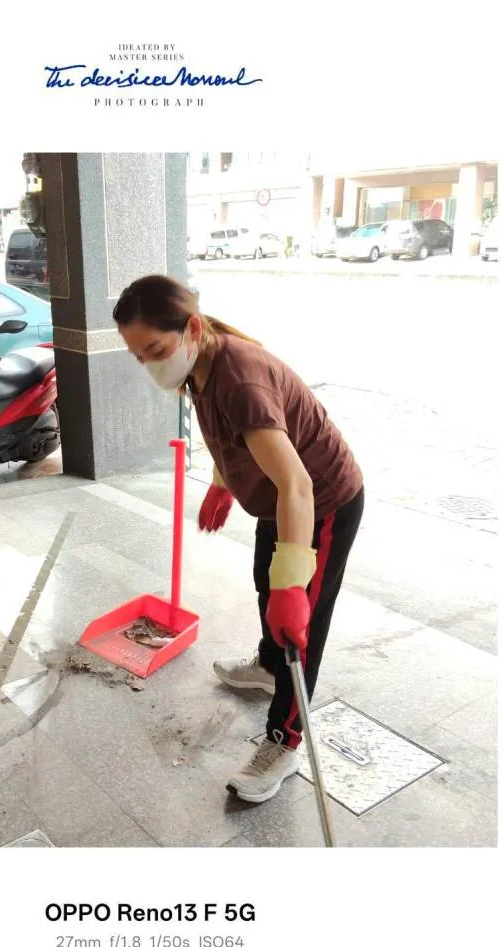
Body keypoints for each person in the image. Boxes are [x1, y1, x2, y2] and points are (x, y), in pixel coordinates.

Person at [114, 275, 364, 804]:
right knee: (263, 584)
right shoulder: (198, 365)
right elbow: (226, 436)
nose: (151, 365)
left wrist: (295, 586)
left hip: (321, 503)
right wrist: (223, 483)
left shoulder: (240, 378)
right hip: (277, 499)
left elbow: (297, 484)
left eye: (155, 350)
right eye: (139, 357)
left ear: (192, 328)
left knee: (299, 624)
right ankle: (268, 668)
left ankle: (284, 741)